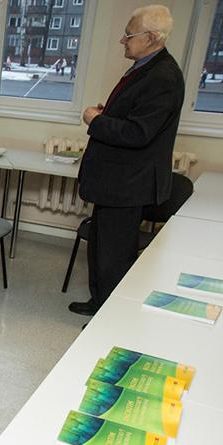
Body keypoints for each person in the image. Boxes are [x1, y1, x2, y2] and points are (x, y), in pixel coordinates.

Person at [70, 4, 184, 316]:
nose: (123, 40)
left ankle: (110, 317)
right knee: (100, 247)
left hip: (128, 184)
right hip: (115, 182)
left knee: (115, 257)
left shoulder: (162, 76)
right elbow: (135, 117)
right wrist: (108, 115)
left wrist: (96, 120)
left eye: (129, 35)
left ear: (151, 37)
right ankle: (98, 302)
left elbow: (138, 133)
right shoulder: (145, 68)